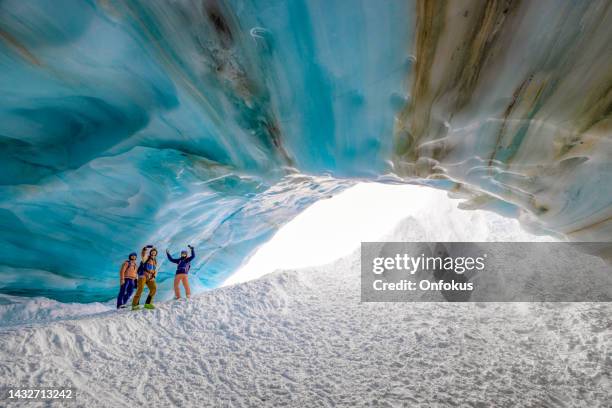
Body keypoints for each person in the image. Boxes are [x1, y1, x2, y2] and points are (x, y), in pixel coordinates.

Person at [132, 245, 158, 310]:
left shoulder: (155, 261)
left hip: (150, 277)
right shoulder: (146, 258)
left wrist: (154, 276)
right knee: (140, 289)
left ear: (156, 254)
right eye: (152, 252)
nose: (153, 253)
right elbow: (143, 255)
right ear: (150, 252)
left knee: (154, 288)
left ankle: (148, 304)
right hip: (142, 275)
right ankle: (135, 305)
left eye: (155, 252)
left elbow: (155, 270)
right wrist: (145, 249)